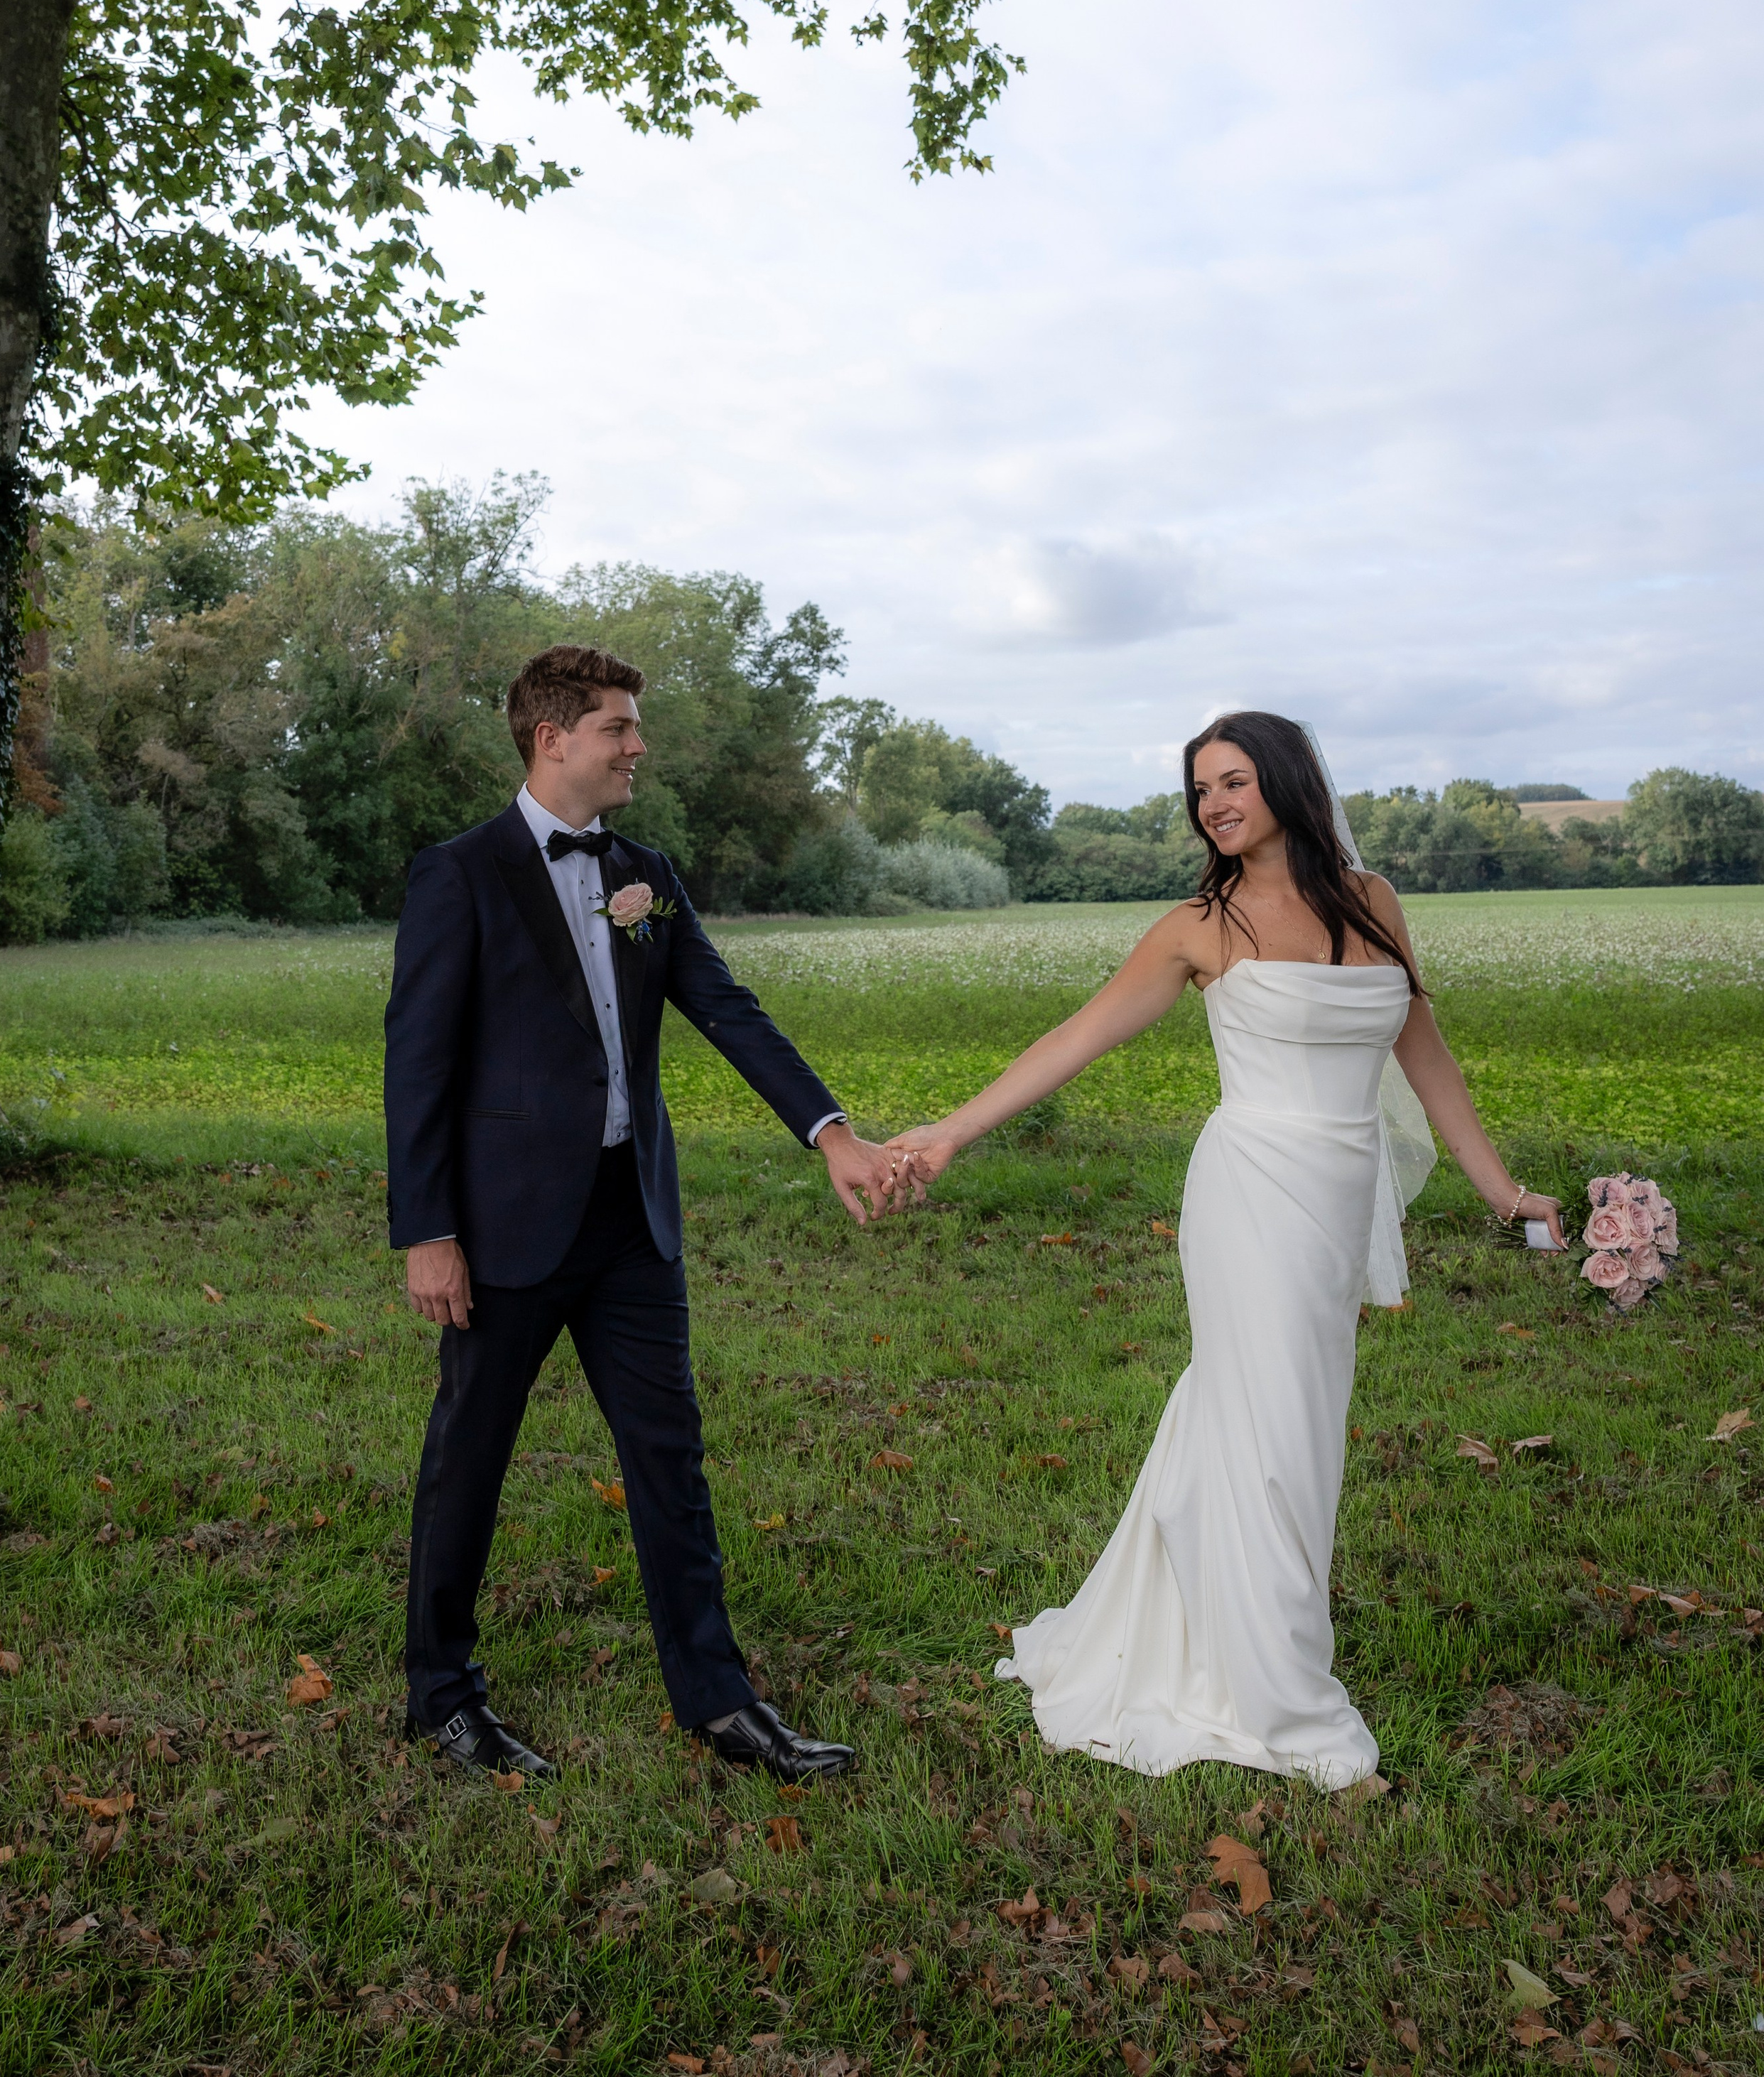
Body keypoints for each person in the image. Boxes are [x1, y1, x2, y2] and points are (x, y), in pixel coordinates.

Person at [887, 710, 1564, 1790]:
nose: (1216, 804)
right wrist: (950, 1132)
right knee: (1271, 1432)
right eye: (1202, 789)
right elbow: (1078, 1036)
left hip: (1341, 1199)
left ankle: (1207, 1621)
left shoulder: (1374, 901)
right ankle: (1287, 1705)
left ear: (1290, 782)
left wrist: (1509, 1195)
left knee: (1286, 1426)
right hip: (1250, 1191)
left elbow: (1428, 1060)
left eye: (1235, 780)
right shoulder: (1200, 926)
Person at [386, 642, 906, 1784]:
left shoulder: (647, 874)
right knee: (468, 1458)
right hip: (503, 1228)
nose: (638, 745)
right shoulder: (458, 874)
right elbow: (416, 1064)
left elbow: (729, 1009)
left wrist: (833, 1133)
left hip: (632, 1223)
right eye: (621, 726)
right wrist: (428, 1231)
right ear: (552, 738)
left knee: (670, 1458)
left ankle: (720, 1702)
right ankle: (441, 1695)